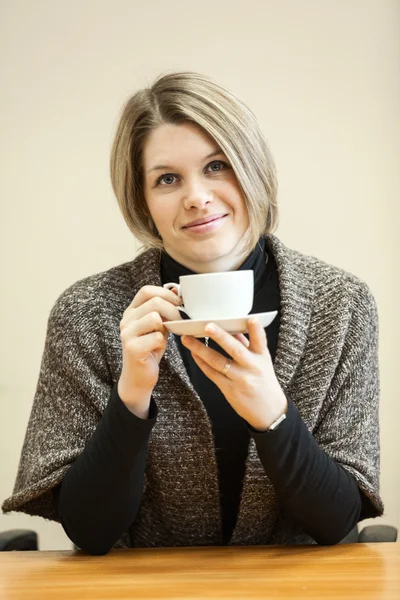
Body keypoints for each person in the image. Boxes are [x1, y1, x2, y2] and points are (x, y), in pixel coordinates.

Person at [2, 71, 383, 554]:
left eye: (217, 166)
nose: (196, 197)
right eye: (167, 179)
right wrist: (132, 396)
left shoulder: (342, 304)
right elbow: (89, 531)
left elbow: (337, 522)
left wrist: (273, 414)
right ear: (143, 200)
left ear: (252, 169)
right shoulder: (85, 313)